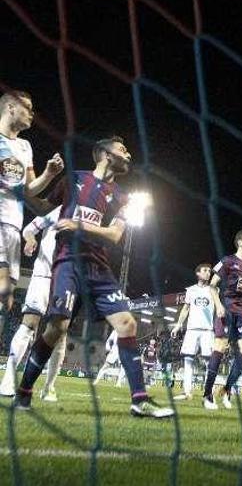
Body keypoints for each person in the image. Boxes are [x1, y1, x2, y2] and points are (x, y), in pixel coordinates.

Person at [12, 136, 173, 418]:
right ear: (105, 154)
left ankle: (139, 400)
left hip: (99, 268)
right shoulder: (74, 179)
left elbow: (114, 235)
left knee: (127, 324)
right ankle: (24, 390)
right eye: (123, 150)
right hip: (67, 263)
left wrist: (78, 224)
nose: (129, 155)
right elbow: (40, 207)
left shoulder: (122, 197)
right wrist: (37, 180)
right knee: (56, 328)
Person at [0, 90, 65, 394]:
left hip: (13, 223)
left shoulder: (24, 147)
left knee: (6, 294)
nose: (32, 114)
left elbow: (29, 189)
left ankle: (46, 386)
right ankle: (10, 379)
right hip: (5, 227)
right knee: (13, 302)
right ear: (10, 107)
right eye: (27, 108)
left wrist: (49, 175)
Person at [0, 207, 65, 401]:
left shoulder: (90, 217)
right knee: (28, 324)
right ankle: (8, 381)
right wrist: (30, 239)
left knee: (60, 332)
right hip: (42, 275)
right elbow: (29, 228)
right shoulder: (57, 211)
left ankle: (49, 387)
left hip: (66, 279)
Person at [202, 230, 242, 410]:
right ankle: (207, 394)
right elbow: (212, 285)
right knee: (220, 347)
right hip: (226, 310)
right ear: (240, 242)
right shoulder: (227, 261)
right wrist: (218, 305)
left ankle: (227, 389)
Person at [170, 263, 220, 400]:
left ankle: (209, 392)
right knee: (188, 359)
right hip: (192, 330)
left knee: (209, 361)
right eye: (205, 271)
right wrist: (178, 325)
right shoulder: (191, 290)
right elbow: (185, 309)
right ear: (197, 273)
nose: (208, 273)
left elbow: (218, 311)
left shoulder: (214, 290)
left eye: (209, 271)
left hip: (207, 330)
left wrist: (220, 330)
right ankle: (187, 392)